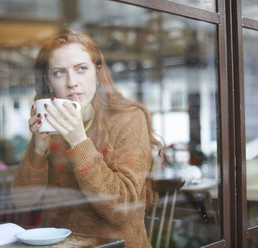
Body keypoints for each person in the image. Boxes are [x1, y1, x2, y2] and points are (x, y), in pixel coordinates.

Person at [11, 28, 162, 248]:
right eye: (60, 72)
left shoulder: (128, 119)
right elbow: (23, 201)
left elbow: (122, 209)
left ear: (97, 72)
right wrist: (38, 150)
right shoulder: (51, 124)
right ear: (49, 82)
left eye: (81, 68)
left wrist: (79, 141)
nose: (72, 82)